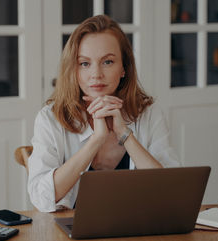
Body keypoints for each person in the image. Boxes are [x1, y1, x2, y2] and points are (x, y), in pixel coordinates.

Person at [28, 15, 180, 212]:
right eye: (84, 63)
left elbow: (172, 192)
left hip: (139, 233)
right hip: (69, 235)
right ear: (73, 70)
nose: (96, 74)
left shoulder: (148, 114)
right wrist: (96, 140)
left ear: (124, 68)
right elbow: (41, 198)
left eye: (107, 62)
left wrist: (124, 134)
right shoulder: (50, 118)